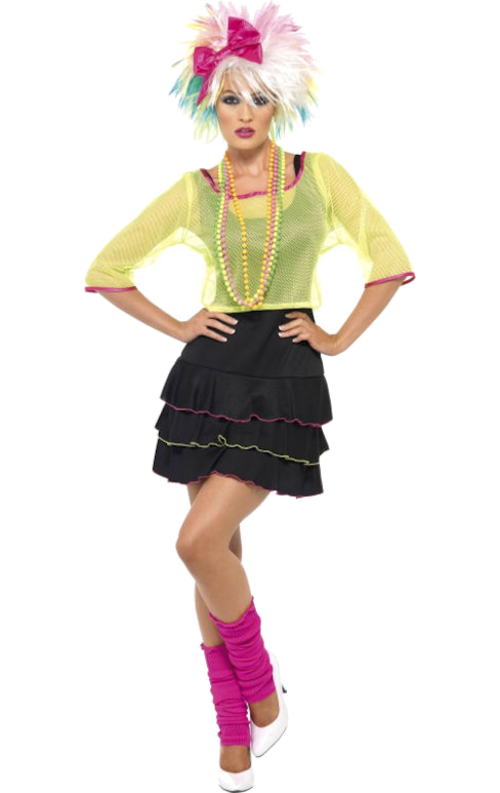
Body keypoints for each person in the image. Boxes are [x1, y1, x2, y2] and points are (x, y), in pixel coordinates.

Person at [83, 2, 416, 789]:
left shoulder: (318, 174)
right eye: (230, 97)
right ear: (210, 102)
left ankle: (262, 688)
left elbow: (389, 260)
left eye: (259, 98)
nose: (244, 112)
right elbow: (105, 270)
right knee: (216, 552)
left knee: (195, 543)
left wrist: (337, 336)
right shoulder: (196, 189)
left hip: (284, 375)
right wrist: (180, 323)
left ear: (281, 102)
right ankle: (233, 734)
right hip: (208, 373)